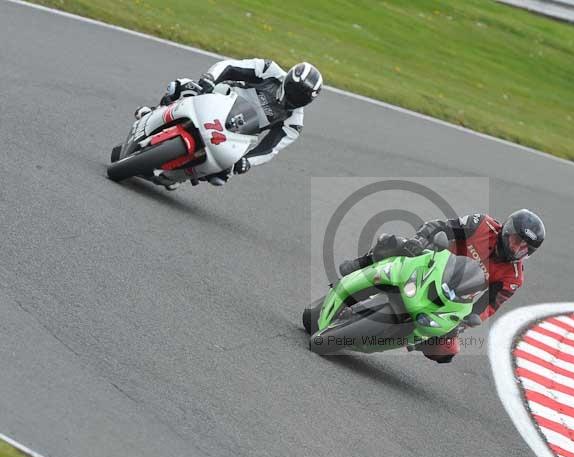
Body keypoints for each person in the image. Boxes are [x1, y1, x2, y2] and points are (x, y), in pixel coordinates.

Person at [338, 209, 545, 363]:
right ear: (507, 230)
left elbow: (488, 306)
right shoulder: (481, 224)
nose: (517, 248)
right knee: (393, 243)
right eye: (516, 240)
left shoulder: (514, 277)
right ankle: (361, 264)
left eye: (524, 247)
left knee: (446, 351)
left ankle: (404, 338)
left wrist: (463, 322)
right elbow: (439, 226)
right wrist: (419, 240)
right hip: (430, 262)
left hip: (452, 298)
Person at [134, 59, 322, 189]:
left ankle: (178, 175)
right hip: (221, 98)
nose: (295, 98)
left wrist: (247, 161)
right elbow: (230, 66)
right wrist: (209, 79)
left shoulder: (294, 123)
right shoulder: (269, 70)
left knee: (220, 176)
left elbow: (269, 148)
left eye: (301, 98)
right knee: (181, 86)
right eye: (294, 91)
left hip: (239, 134)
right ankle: (154, 112)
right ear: (288, 80)